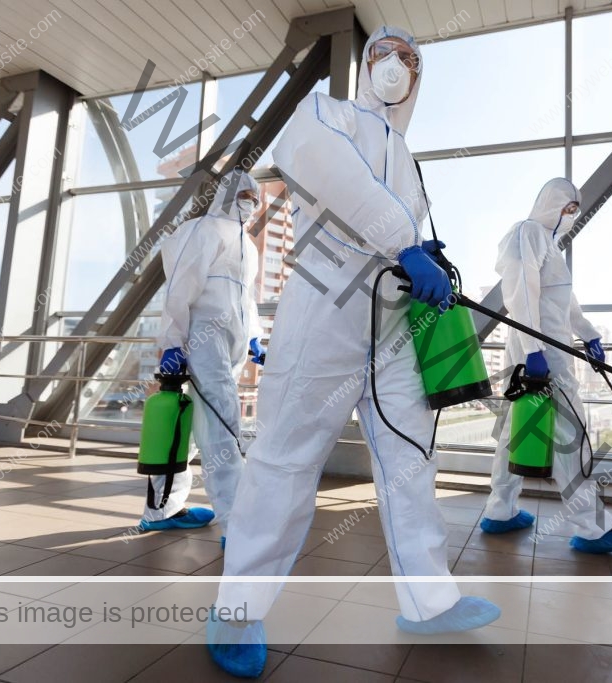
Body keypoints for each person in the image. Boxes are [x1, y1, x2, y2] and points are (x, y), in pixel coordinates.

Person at [208, 27, 500, 678]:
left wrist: (424, 257)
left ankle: (429, 600)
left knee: (410, 458)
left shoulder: (410, 159)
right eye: (385, 54)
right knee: (285, 457)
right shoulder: (326, 112)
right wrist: (402, 238)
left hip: (395, 323)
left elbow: (407, 237)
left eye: (411, 61)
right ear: (365, 65)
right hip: (326, 309)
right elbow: (311, 158)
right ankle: (237, 606)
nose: (396, 66)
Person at [480, 177, 612, 555]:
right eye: (564, 206)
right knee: (569, 436)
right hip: (542, 352)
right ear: (548, 202)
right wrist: (534, 351)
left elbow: (565, 304)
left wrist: (588, 333)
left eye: (574, 209)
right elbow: (520, 294)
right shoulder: (528, 233)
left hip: (542, 349)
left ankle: (500, 511)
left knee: (516, 431)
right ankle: (592, 528)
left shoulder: (551, 247)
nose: (569, 215)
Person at [139, 169, 265, 535]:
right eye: (243, 195)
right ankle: (235, 524)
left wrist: (255, 337)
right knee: (222, 424)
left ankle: (162, 511)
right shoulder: (202, 230)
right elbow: (180, 289)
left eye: (254, 198)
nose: (250, 203)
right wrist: (173, 342)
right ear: (224, 195)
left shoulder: (248, 243)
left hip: (232, 344)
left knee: (192, 429)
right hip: (203, 343)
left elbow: (247, 298)